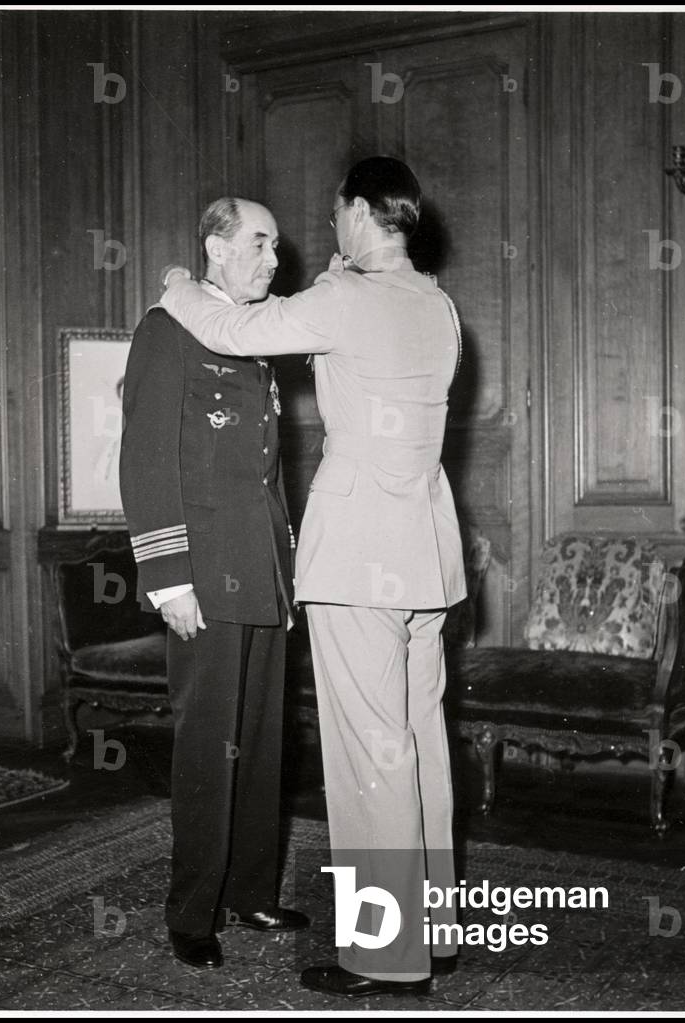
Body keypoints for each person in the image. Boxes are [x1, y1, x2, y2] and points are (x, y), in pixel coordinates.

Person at [160, 157, 466, 997]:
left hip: (358, 552)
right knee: (420, 744)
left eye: (336, 215)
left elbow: (225, 330)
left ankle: (385, 954)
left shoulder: (343, 299)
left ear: (363, 212)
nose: (327, 231)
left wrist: (178, 283)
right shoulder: (434, 304)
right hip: (425, 553)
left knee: (370, 757)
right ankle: (433, 930)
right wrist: (343, 279)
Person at [119, 197, 308, 970]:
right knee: (208, 748)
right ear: (216, 248)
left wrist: (283, 574)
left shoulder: (252, 338)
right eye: (260, 245)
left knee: (263, 741)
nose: (273, 260)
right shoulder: (167, 332)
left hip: (258, 573)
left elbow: (267, 474)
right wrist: (170, 582)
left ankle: (250, 890)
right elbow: (144, 460)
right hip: (200, 574)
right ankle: (193, 909)